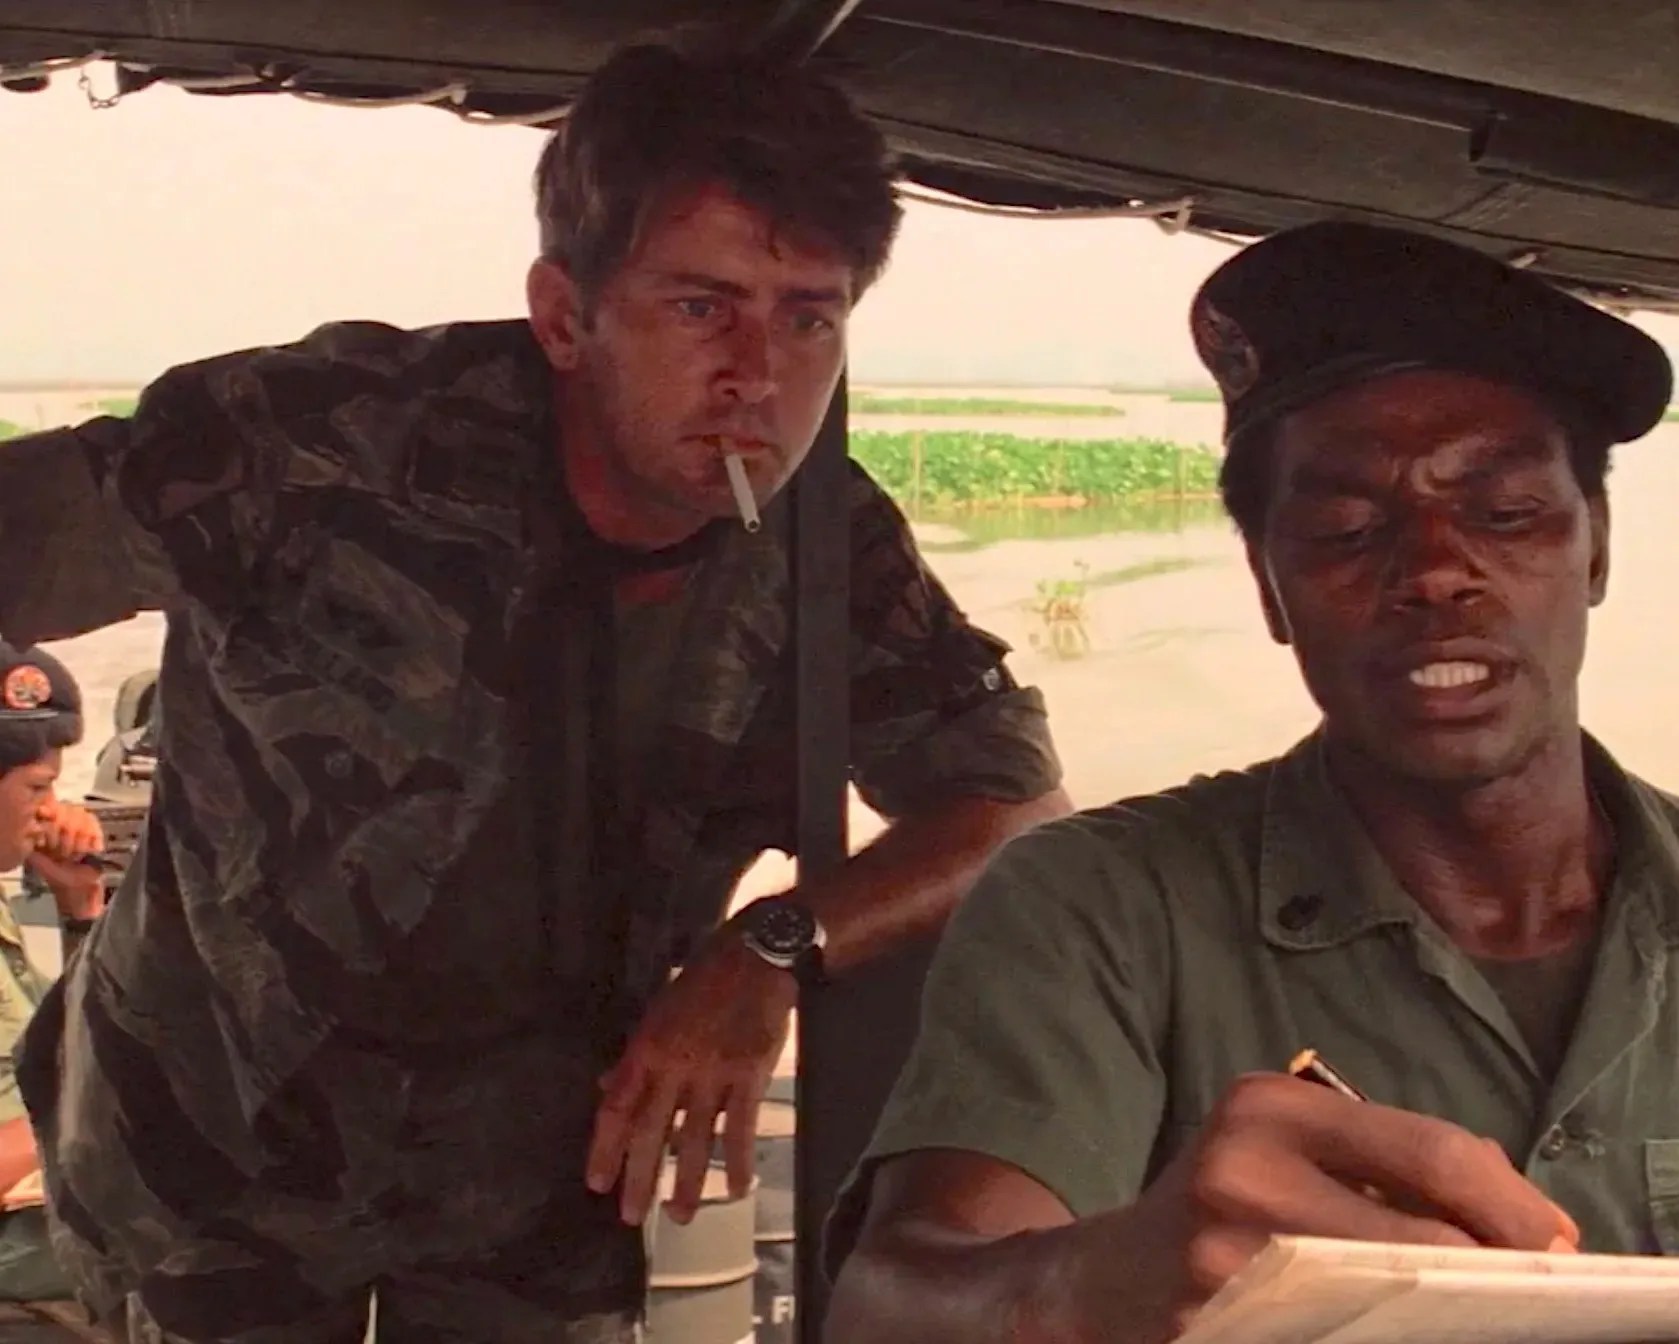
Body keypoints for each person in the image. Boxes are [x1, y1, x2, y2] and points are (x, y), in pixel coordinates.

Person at [0, 30, 1069, 1344]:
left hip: (535, 1189)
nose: (759, 377)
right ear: (565, 316)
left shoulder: (822, 546)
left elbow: (1009, 803)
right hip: (204, 1156)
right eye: (700, 307)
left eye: (808, 317)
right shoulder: (312, 444)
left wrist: (772, 951)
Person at [824, 221, 1679, 1344]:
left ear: (1597, 545)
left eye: (1504, 512)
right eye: (1344, 527)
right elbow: (888, 1307)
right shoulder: (1100, 907)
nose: (1432, 569)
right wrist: (1087, 1286)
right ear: (1268, 589)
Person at [0, 644, 107, 1308]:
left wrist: (82, 912)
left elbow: (86, 1052)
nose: (53, 812)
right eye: (37, 788)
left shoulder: (27, 899)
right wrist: (67, 1126)